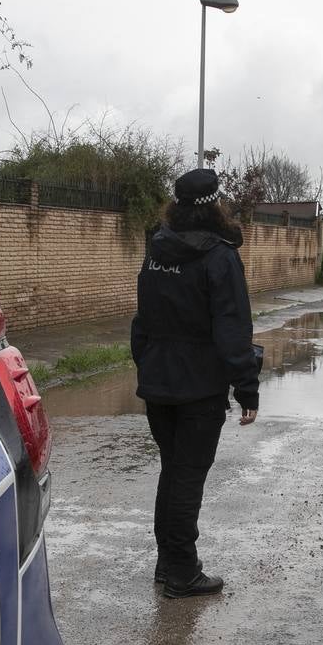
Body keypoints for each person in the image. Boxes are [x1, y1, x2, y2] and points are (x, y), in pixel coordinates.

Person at [131, 168, 260, 599]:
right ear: (216, 205)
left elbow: (141, 319)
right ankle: (183, 572)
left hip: (158, 381)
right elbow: (232, 329)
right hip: (199, 386)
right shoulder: (219, 256)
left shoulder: (156, 249)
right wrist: (247, 388)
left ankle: (167, 562)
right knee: (187, 478)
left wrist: (146, 364)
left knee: (173, 471)